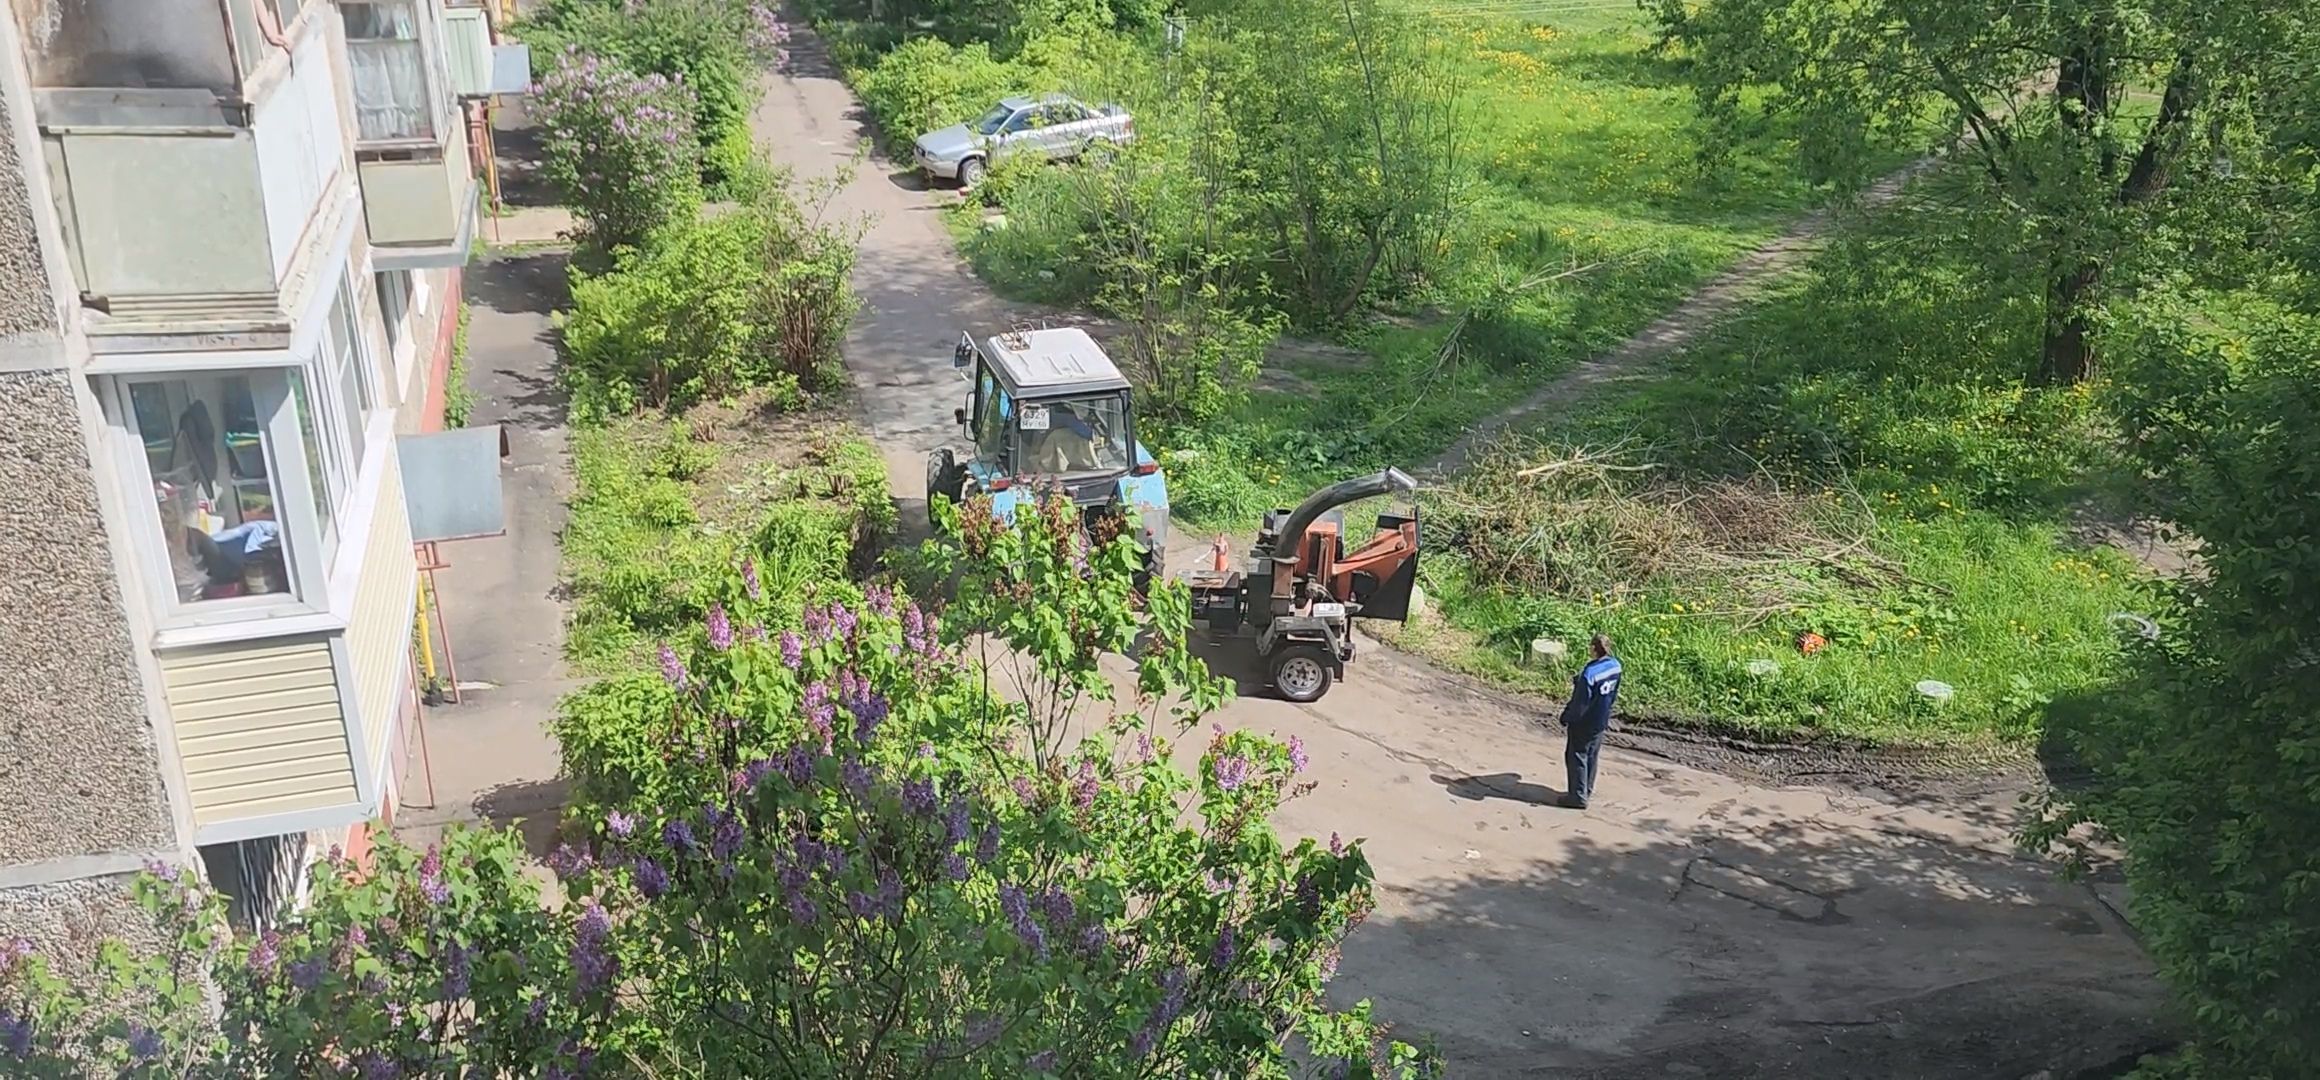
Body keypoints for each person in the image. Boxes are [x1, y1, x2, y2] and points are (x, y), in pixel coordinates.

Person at [1556, 633, 1622, 810]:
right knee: (1592, 755)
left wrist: (1567, 717)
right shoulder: (1616, 666)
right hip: (1601, 718)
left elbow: (1580, 704)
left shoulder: (1589, 674)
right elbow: (1613, 693)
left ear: (1593, 648)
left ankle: (1577, 797)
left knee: (1577, 755)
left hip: (1584, 722)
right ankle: (1586, 789)